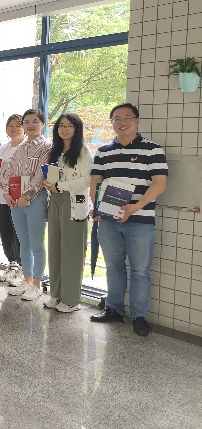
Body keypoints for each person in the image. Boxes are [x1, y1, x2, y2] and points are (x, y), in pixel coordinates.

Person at [89, 103, 167, 336]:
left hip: (140, 220)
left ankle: (138, 316)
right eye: (117, 118)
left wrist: (134, 208)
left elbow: (159, 184)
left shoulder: (153, 150)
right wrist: (97, 207)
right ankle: (113, 309)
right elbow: (96, 182)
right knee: (113, 267)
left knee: (140, 270)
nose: (122, 122)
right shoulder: (103, 151)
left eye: (127, 118)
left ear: (137, 120)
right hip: (108, 220)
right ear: (112, 122)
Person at [41, 113, 92, 313]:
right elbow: (52, 175)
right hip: (55, 200)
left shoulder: (83, 152)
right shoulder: (56, 151)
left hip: (73, 203)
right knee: (55, 249)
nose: (65, 129)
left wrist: (61, 186)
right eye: (61, 125)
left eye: (69, 125)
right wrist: (48, 183)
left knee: (72, 252)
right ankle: (56, 294)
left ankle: (71, 300)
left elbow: (87, 179)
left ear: (76, 129)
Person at [3, 108, 51, 301]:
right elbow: (9, 172)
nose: (31, 125)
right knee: (24, 243)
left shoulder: (47, 146)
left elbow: (41, 175)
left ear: (43, 124)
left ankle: (37, 284)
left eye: (35, 121)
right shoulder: (20, 147)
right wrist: (7, 193)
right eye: (27, 122)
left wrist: (27, 195)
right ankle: (27, 280)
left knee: (37, 244)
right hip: (15, 200)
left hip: (35, 200)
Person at [0, 114, 24, 285]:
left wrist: (4, 184)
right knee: (5, 231)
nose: (14, 129)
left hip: (16, 197)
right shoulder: (3, 147)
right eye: (11, 126)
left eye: (18, 126)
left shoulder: (25, 148)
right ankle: (12, 263)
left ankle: (22, 268)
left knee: (18, 233)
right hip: (1, 195)